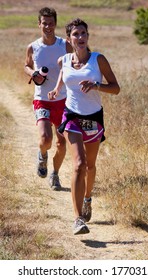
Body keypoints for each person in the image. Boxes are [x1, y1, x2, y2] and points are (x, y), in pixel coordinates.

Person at [48, 18, 120, 234]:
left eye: (83, 33)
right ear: (69, 39)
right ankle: (78, 218)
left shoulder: (99, 60)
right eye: (76, 34)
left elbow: (116, 88)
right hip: (71, 116)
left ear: (87, 36)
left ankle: (88, 198)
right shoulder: (65, 60)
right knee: (79, 164)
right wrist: (56, 89)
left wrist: (97, 85)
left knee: (90, 165)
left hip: (94, 117)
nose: (80, 37)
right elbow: (63, 74)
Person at [24, 7, 72, 191]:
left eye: (51, 23)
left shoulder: (64, 45)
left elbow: (76, 61)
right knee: (45, 139)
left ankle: (55, 174)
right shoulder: (33, 47)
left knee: (61, 143)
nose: (48, 26)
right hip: (42, 99)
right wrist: (33, 73)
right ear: (39, 24)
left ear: (55, 24)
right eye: (44, 23)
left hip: (63, 101)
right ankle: (42, 155)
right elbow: (26, 65)